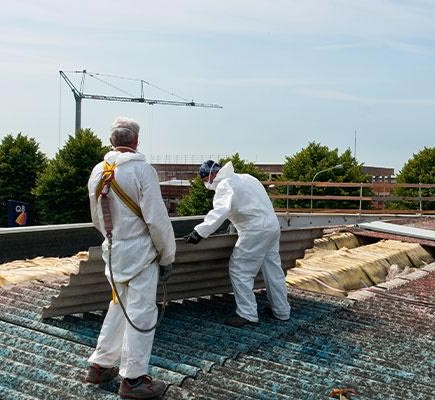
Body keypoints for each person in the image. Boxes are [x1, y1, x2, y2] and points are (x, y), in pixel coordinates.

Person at [84, 117, 176, 399]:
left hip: (114, 252)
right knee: (141, 313)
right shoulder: (142, 171)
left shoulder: (98, 171)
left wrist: (116, 240)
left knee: (118, 308)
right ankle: (134, 379)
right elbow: (157, 220)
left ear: (113, 141)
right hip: (140, 255)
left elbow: (97, 218)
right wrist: (167, 255)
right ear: (135, 141)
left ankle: (100, 365)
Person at [185, 160, 291, 327]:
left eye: (205, 180)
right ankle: (281, 311)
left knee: (240, 269)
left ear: (211, 175)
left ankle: (247, 314)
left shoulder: (224, 185)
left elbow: (220, 211)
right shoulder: (247, 178)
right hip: (272, 226)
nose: (206, 183)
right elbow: (250, 204)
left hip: (255, 230)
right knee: (273, 269)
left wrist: (200, 232)